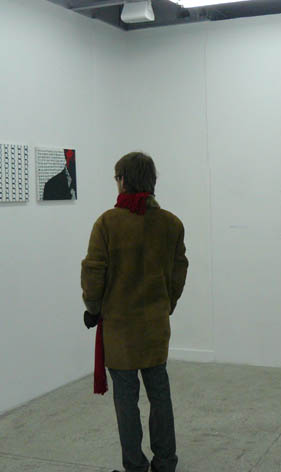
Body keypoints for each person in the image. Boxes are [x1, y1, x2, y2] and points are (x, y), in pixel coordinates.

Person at [81, 152, 188, 472]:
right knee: (160, 395)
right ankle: (165, 462)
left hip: (120, 331)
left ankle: (135, 466)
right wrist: (166, 304)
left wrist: (93, 308)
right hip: (155, 326)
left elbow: (93, 272)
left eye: (117, 178)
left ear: (124, 180)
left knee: (126, 401)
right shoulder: (171, 223)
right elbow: (178, 271)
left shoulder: (107, 223)